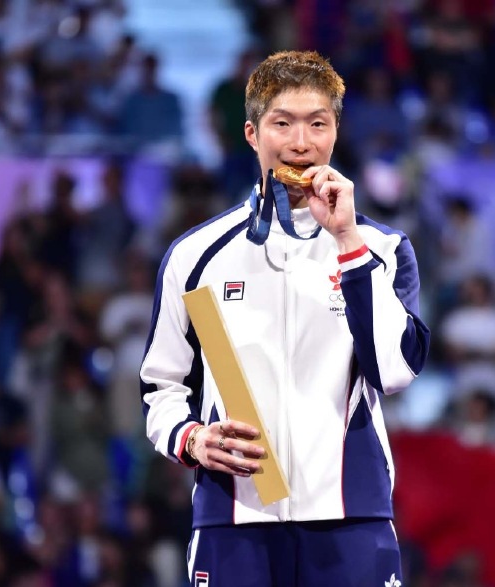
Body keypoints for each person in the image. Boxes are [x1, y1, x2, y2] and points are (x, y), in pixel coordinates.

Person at [139, 50, 430, 587]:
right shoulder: (197, 255)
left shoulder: (382, 249)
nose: (301, 143)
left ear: (335, 132)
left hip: (351, 513)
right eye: (282, 124)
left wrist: (347, 243)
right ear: (252, 134)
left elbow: (393, 373)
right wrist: (192, 440)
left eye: (317, 124)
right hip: (234, 516)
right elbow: (160, 385)